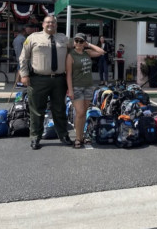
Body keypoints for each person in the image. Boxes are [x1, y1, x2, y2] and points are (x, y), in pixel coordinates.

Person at [19, 15, 72, 150]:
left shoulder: (64, 39)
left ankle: (63, 135)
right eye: (48, 22)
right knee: (37, 110)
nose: (51, 24)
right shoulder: (32, 38)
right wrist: (24, 75)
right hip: (38, 79)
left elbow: (74, 53)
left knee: (59, 109)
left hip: (59, 79)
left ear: (56, 25)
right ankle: (35, 137)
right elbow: (23, 58)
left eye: (53, 23)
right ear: (43, 24)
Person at [66, 33, 105, 149]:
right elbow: (68, 74)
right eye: (76, 41)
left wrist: (89, 45)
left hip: (88, 86)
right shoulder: (71, 55)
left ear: (84, 43)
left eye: (81, 41)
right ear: (73, 42)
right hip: (77, 87)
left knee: (84, 113)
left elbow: (101, 52)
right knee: (80, 112)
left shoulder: (87, 53)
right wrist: (70, 90)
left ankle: (81, 136)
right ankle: (78, 139)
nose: (78, 43)